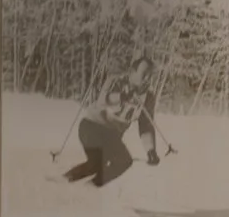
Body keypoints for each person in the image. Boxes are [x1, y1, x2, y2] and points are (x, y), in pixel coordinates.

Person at [59, 55, 161, 189]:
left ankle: (81, 187)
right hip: (93, 126)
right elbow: (103, 100)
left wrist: (150, 150)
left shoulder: (148, 97)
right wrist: (121, 97)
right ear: (132, 71)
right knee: (108, 162)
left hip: (112, 135)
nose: (147, 79)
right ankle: (74, 186)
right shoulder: (116, 81)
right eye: (144, 74)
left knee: (115, 163)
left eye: (150, 75)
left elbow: (146, 125)